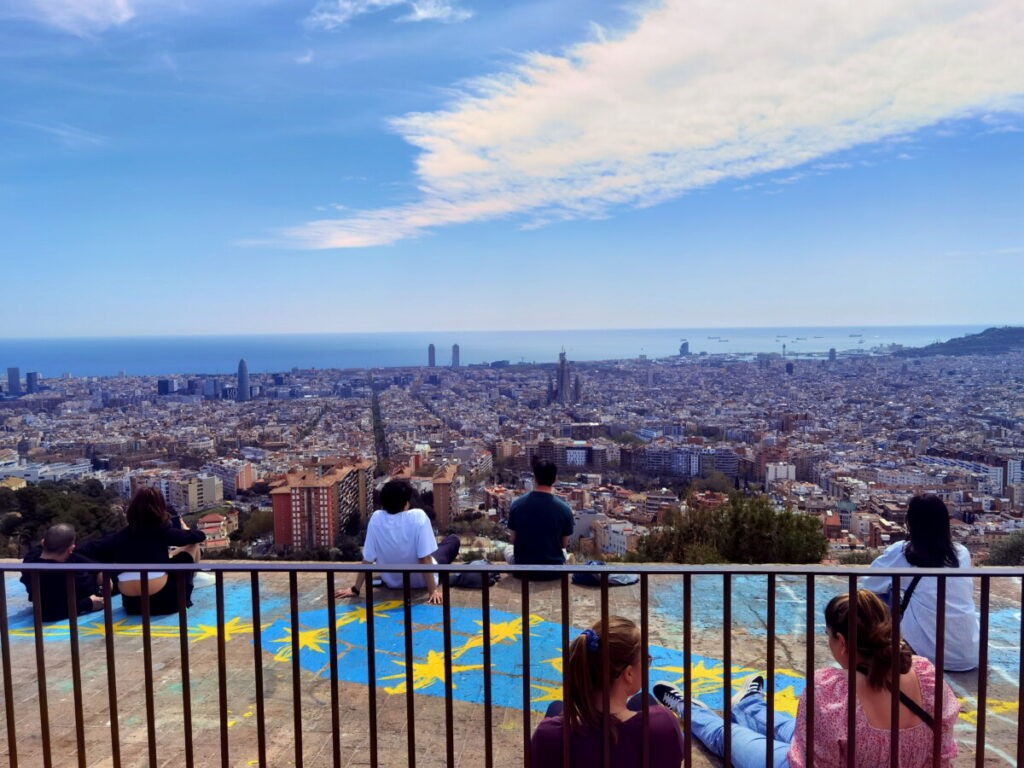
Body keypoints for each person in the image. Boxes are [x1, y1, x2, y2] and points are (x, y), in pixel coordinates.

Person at [655, 590, 959, 768]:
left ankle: (689, 709)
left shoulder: (832, 693)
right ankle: (749, 704)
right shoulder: (925, 674)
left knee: (727, 737)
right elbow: (943, 755)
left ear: (841, 641)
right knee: (793, 725)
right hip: (833, 747)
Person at [530, 616, 684, 767]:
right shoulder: (663, 725)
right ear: (628, 673)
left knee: (556, 707)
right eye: (646, 660)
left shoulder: (548, 736)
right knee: (643, 700)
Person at [861, 494, 979, 671]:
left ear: (912, 523)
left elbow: (868, 584)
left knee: (884, 593)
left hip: (929, 656)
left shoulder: (902, 554)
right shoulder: (961, 554)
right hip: (969, 656)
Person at [80, 487, 206, 616]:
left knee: (168, 558)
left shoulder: (119, 537)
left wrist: (99, 571)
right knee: (192, 546)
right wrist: (185, 528)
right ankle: (189, 587)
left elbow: (83, 549)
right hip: (167, 603)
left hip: (132, 606)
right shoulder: (162, 531)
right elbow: (199, 536)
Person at [335, 480, 459, 606]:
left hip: (393, 583)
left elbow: (368, 558)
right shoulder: (418, 516)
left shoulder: (376, 518)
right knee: (452, 540)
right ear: (406, 503)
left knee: (433, 548)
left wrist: (355, 588)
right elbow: (425, 557)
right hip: (421, 582)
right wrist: (433, 591)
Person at [20, 523, 104, 622]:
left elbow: (73, 555)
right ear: (70, 549)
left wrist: (97, 568)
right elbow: (47, 613)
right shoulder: (68, 576)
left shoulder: (30, 559)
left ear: (43, 542)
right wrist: (88, 604)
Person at [505, 458, 574, 579]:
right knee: (565, 553)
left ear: (535, 479)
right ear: (554, 480)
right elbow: (564, 544)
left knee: (507, 548)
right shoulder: (564, 509)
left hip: (523, 569)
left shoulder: (517, 504)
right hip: (553, 571)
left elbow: (513, 540)